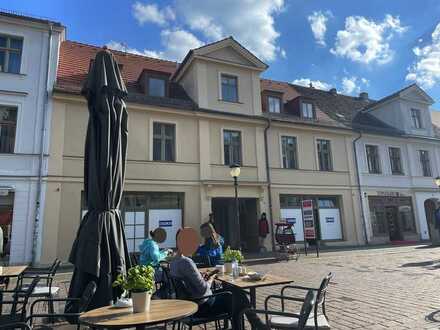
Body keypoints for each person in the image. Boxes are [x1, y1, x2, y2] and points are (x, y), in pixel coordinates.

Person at [170, 227, 264, 330]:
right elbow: (203, 289)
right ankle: (256, 325)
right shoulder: (186, 262)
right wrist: (210, 279)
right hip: (202, 306)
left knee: (234, 291)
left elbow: (190, 283)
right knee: (237, 297)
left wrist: (202, 278)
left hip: (189, 303)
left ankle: (254, 325)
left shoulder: (174, 261)